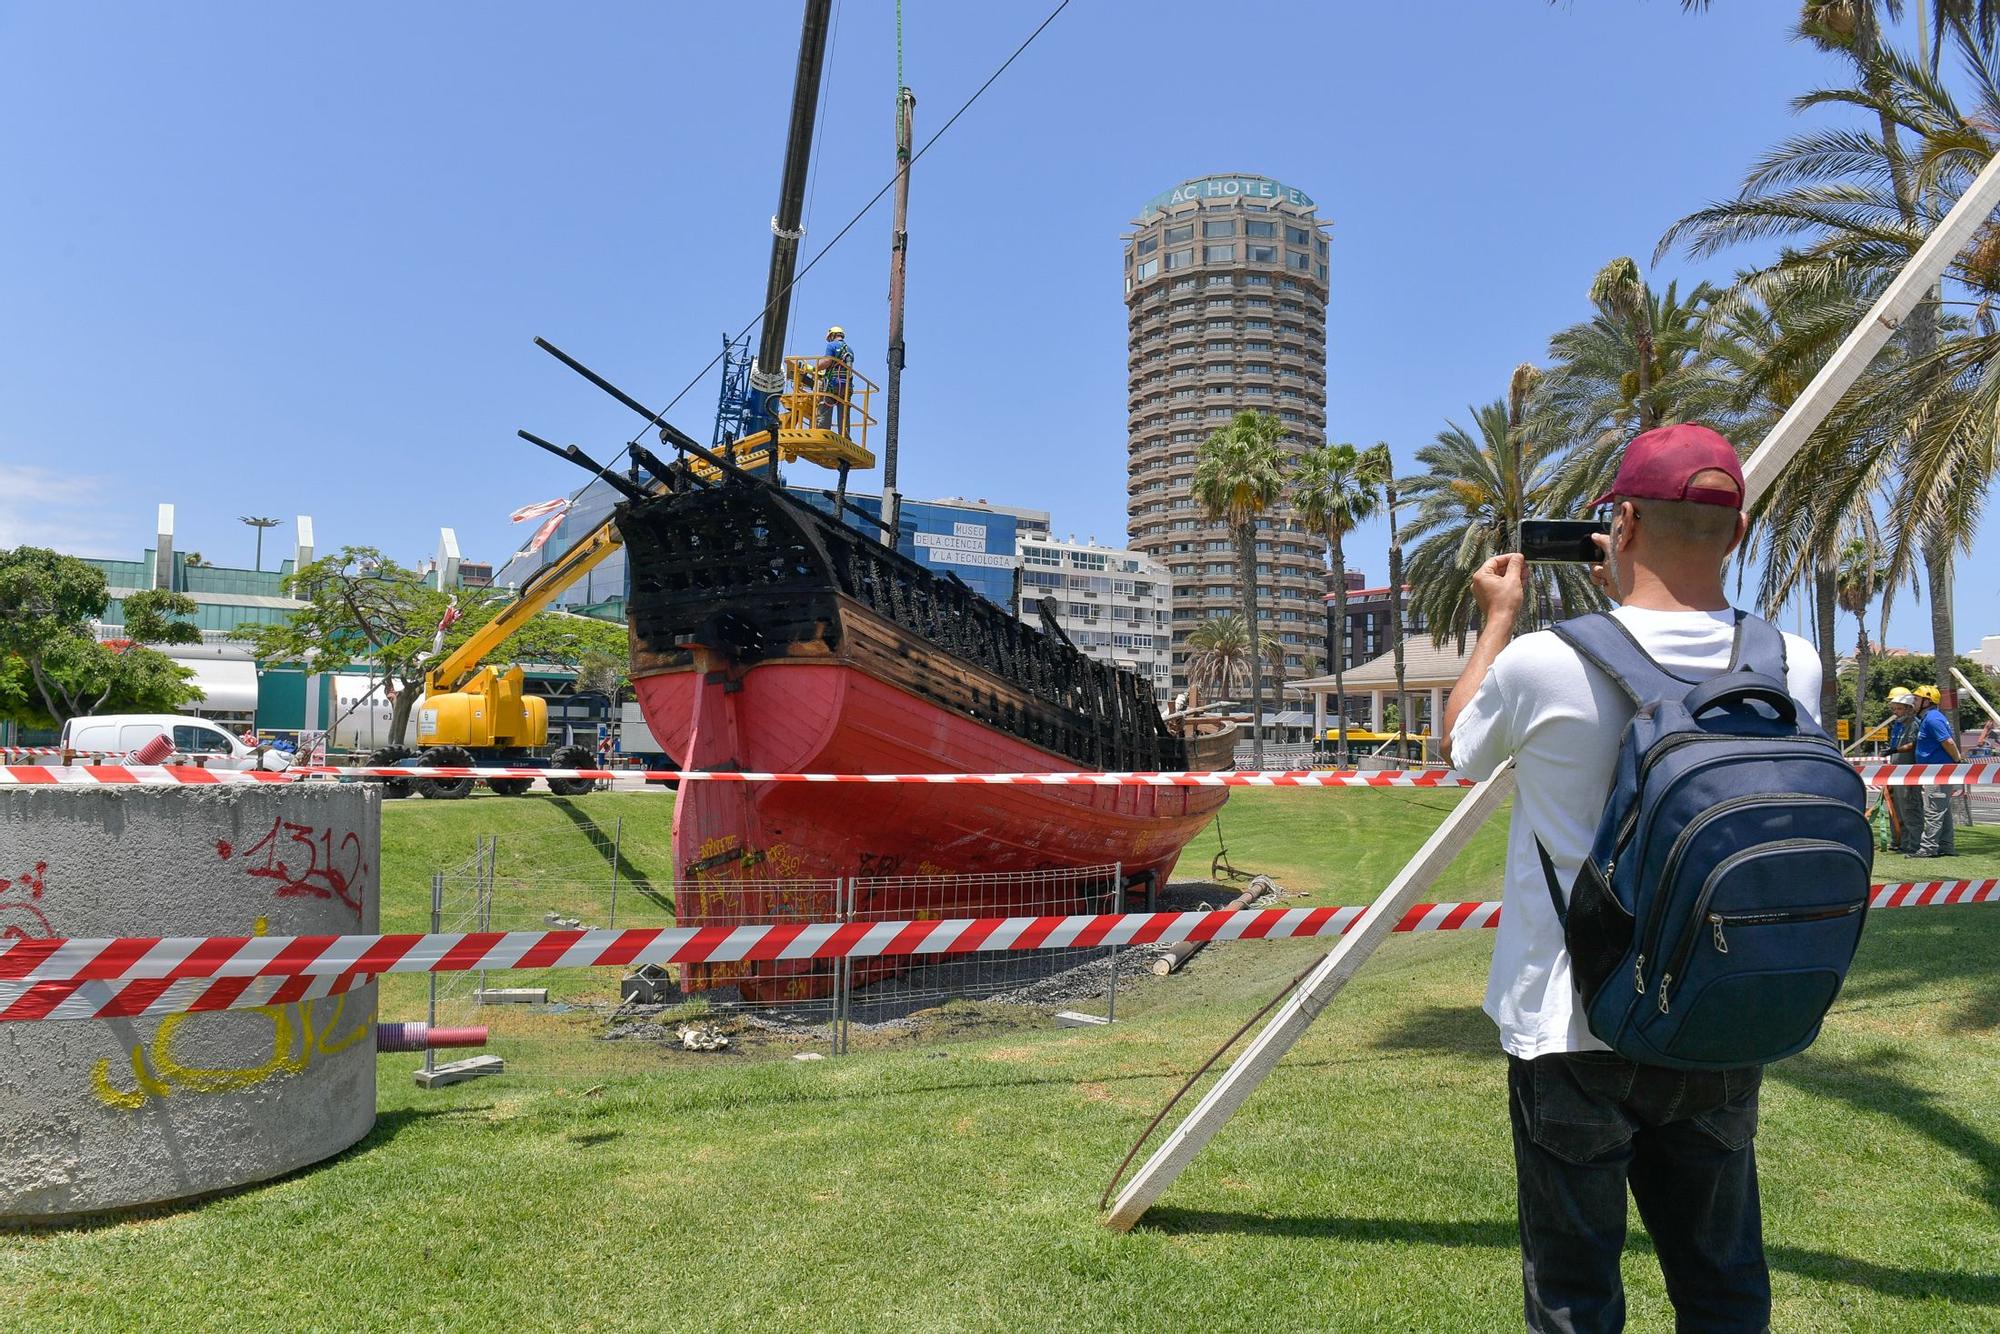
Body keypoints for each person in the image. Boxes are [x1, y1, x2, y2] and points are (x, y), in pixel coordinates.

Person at [1444, 423, 1821, 1332]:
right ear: (1735, 536)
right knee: (1723, 1282)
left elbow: (1458, 748)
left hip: (1572, 1027)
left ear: (1620, 524)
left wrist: (1499, 617)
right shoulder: (1790, 661)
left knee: (1576, 1295)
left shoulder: (1547, 660)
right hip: (1717, 1012)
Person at [1910, 683, 1961, 857]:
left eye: (1916, 699)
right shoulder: (1929, 718)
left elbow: (1948, 742)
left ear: (1927, 701)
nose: (1913, 702)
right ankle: (1946, 847)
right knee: (1941, 811)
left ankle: (1928, 848)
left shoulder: (1933, 719)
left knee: (1933, 811)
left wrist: (1957, 760)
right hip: (1935, 772)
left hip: (1938, 773)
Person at [1884, 690, 1922, 854]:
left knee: (1909, 808)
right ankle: (1901, 842)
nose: (1895, 712)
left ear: (1909, 708)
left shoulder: (1914, 723)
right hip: (1896, 772)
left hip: (1908, 773)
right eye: (1894, 709)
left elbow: (1913, 745)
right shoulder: (1898, 725)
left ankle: (1914, 844)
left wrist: (1894, 750)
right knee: (1897, 809)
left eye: (1898, 709)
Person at [817, 324, 854, 434]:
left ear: (832, 335)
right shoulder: (850, 349)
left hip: (832, 384)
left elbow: (827, 362)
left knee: (825, 408)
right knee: (844, 413)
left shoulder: (832, 345)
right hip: (846, 386)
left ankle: (822, 432)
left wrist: (815, 368)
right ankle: (845, 436)